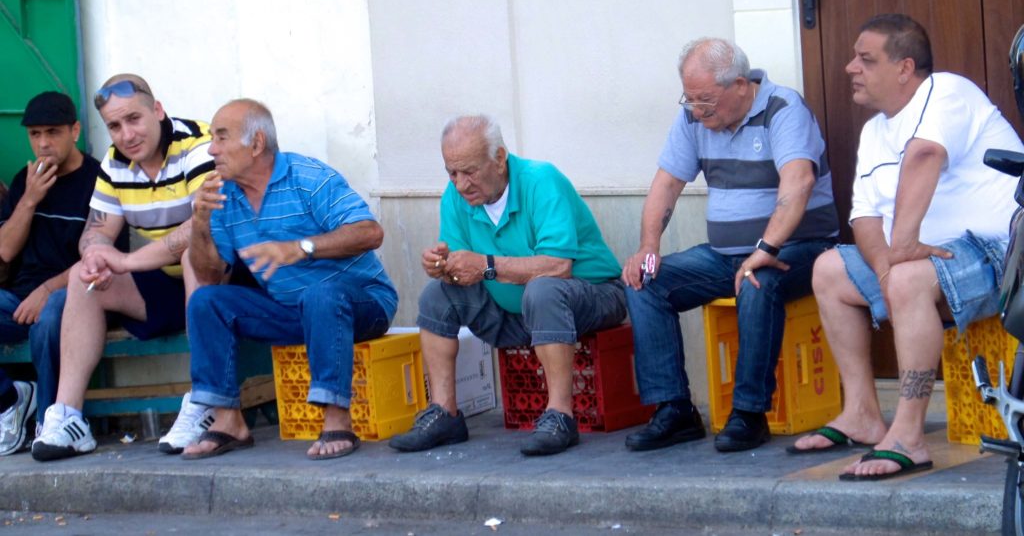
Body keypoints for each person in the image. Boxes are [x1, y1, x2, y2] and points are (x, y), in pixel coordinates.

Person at [789, 14, 1023, 480]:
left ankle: (910, 437)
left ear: (904, 67)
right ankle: (862, 414)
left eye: (866, 58)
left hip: (1002, 252)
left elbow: (924, 155)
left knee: (909, 276)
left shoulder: (946, 91)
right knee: (830, 270)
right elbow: (863, 217)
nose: (850, 67)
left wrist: (902, 251)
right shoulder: (874, 131)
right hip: (924, 261)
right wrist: (884, 268)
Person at [623, 38, 839, 453]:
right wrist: (648, 247)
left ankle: (749, 412)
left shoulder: (783, 109)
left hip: (799, 248)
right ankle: (674, 410)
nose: (697, 111)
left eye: (705, 101)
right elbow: (666, 183)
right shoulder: (693, 120)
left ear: (740, 85)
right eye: (689, 100)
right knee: (645, 281)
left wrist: (768, 247)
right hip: (725, 255)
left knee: (758, 277)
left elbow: (799, 182)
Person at [388, 115, 626, 457]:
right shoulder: (456, 198)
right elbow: (463, 268)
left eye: (469, 171)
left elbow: (558, 266)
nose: (460, 183)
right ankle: (445, 413)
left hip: (592, 297)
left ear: (499, 158)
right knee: (438, 296)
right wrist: (443, 267)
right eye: (451, 173)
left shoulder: (541, 180)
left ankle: (560, 415)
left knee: (543, 289)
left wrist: (484, 266)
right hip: (516, 310)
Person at [183, 99, 396, 460]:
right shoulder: (223, 196)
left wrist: (301, 247)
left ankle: (336, 420)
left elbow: (370, 232)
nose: (211, 149)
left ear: (256, 143)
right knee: (206, 302)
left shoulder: (308, 178)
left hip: (362, 303)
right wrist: (200, 222)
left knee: (321, 294)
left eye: (221, 137)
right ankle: (228, 421)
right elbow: (209, 276)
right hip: (290, 310)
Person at [31, 75, 215, 461]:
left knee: (192, 250)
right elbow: (95, 231)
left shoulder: (198, 144)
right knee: (86, 277)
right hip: (166, 284)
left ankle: (205, 399)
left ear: (158, 110)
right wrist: (96, 253)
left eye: (134, 119)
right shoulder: (115, 163)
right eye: (115, 125)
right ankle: (67, 417)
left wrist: (127, 260)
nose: (126, 134)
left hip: (225, 279)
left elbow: (203, 225)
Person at [0, 92, 124, 456]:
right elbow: (5, 250)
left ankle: (53, 422)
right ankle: (11, 399)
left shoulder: (100, 180)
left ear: (75, 130)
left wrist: (46, 289)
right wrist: (30, 199)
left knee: (52, 315)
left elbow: (102, 255)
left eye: (52, 132)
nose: (42, 143)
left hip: (79, 293)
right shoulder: (27, 179)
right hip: (19, 299)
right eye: (35, 134)